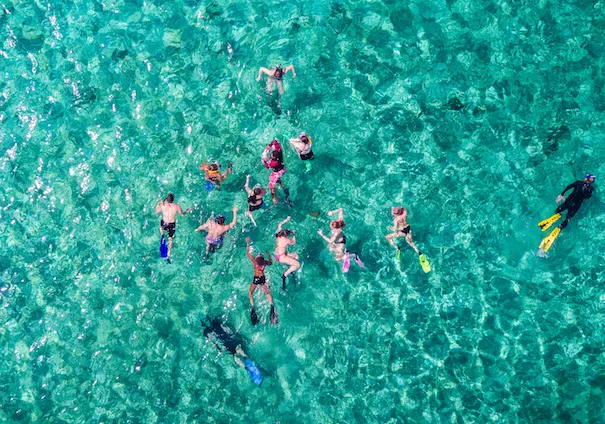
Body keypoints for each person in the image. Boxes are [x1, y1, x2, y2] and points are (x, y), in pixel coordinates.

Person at [538, 174, 596, 253]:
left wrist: (561, 195)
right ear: (590, 180)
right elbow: (587, 197)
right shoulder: (590, 188)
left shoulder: (578, 183)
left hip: (568, 202)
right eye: (592, 178)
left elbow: (568, 187)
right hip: (575, 207)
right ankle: (560, 227)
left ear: (586, 178)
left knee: (559, 210)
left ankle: (557, 215)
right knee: (568, 219)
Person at [201, 315, 263, 385]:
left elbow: (213, 341)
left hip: (227, 344)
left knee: (235, 354)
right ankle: (246, 362)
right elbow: (229, 330)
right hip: (229, 340)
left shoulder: (206, 331)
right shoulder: (215, 324)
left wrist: (218, 349)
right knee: (237, 350)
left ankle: (246, 367)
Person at [317, 208, 364, 272]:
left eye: (331, 225)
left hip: (340, 243)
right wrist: (332, 212)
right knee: (330, 249)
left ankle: (353, 255)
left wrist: (322, 235)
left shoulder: (337, 232)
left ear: (335, 228)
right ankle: (344, 252)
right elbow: (341, 209)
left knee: (338, 259)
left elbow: (331, 241)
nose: (330, 224)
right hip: (337, 242)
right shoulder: (340, 222)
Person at [385, 206, 431, 272]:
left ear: (396, 214)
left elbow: (394, 230)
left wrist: (389, 227)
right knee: (410, 242)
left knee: (387, 237)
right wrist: (399, 208)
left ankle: (397, 248)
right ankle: (419, 253)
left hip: (402, 232)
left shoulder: (396, 219)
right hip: (408, 229)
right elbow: (402, 207)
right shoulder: (404, 212)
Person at [246, 237, 277, 325]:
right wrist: (269, 255)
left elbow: (247, 253)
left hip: (256, 279)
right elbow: (271, 263)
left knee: (250, 293)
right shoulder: (265, 263)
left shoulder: (255, 263)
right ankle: (271, 305)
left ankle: (253, 307)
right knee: (267, 293)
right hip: (262, 278)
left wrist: (247, 243)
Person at [155, 193, 192, 259]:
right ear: (173, 199)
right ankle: (168, 255)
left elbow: (156, 212)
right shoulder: (177, 206)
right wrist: (187, 210)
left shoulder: (163, 205)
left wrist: (158, 205)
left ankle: (162, 235)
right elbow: (182, 214)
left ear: (167, 199)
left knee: (161, 228)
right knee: (170, 239)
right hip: (171, 224)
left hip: (164, 223)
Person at [262, 139, 291, 205]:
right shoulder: (279, 151)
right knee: (278, 180)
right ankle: (284, 188)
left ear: (274, 158)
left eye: (271, 156)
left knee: (271, 185)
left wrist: (265, 160)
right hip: (283, 169)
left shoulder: (273, 163)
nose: (270, 156)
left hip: (276, 173)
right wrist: (269, 145)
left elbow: (267, 166)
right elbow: (275, 141)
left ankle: (274, 197)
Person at [274, 216, 300, 291]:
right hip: (282, 257)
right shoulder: (286, 240)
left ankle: (292, 269)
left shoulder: (278, 235)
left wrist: (286, 220)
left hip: (277, 255)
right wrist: (294, 235)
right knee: (297, 264)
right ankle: (285, 274)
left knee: (295, 255)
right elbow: (293, 242)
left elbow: (279, 225)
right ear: (286, 236)